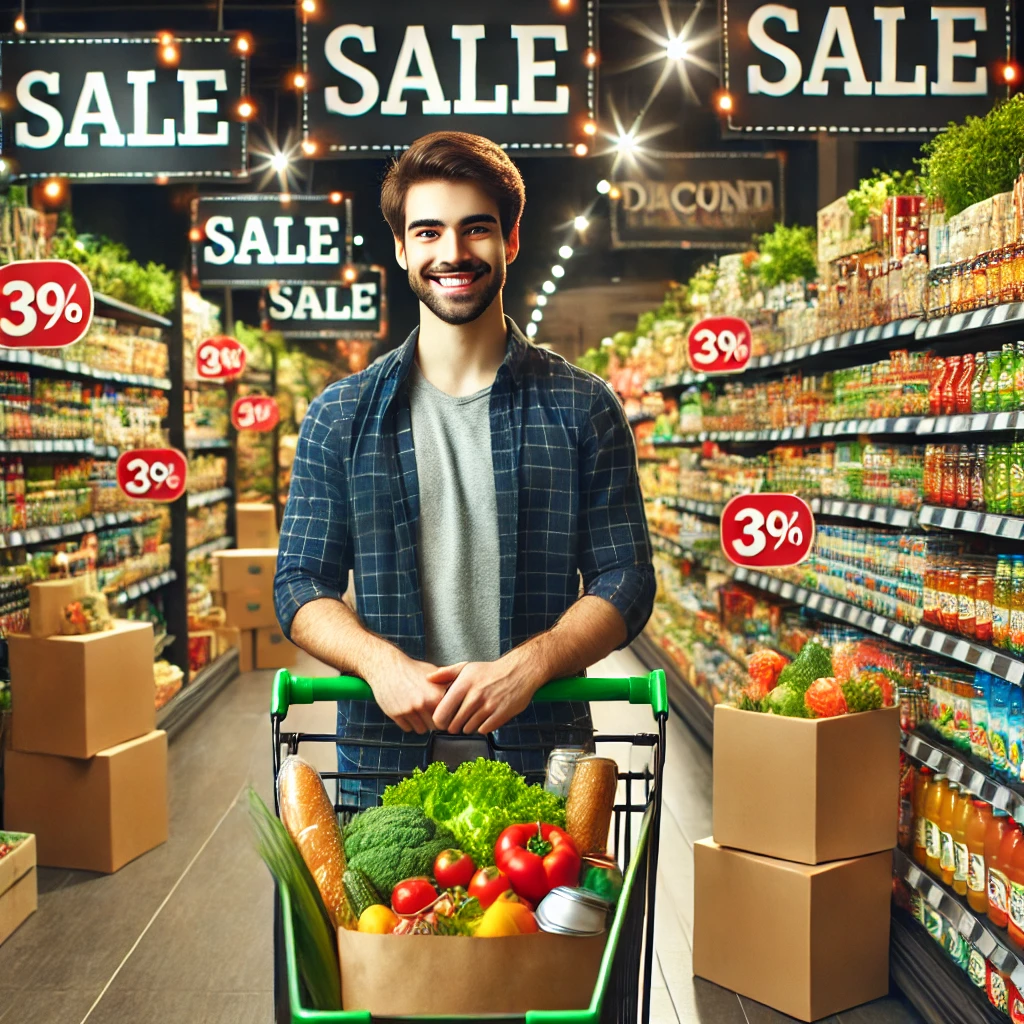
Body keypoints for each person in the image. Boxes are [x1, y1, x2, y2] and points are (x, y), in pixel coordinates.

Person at [274, 131, 654, 806]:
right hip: (384, 764)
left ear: (509, 241)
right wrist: (377, 660)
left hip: (543, 758)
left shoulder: (582, 406)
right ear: (401, 249)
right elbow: (301, 583)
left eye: (474, 229)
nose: (452, 253)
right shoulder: (341, 415)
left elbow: (625, 577)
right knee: (379, 918)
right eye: (427, 232)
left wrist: (531, 665)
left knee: (547, 919)